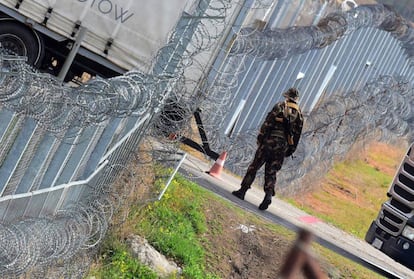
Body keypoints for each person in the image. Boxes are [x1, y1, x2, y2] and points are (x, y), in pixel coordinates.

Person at [232, 87, 304, 210]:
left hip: (269, 141)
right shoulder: (299, 115)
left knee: (254, 166)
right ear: (296, 99)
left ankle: (243, 191)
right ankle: (268, 196)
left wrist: (261, 139)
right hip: (282, 146)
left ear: (287, 96)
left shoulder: (280, 106)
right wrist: (290, 149)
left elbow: (268, 123)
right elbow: (297, 135)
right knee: (271, 171)